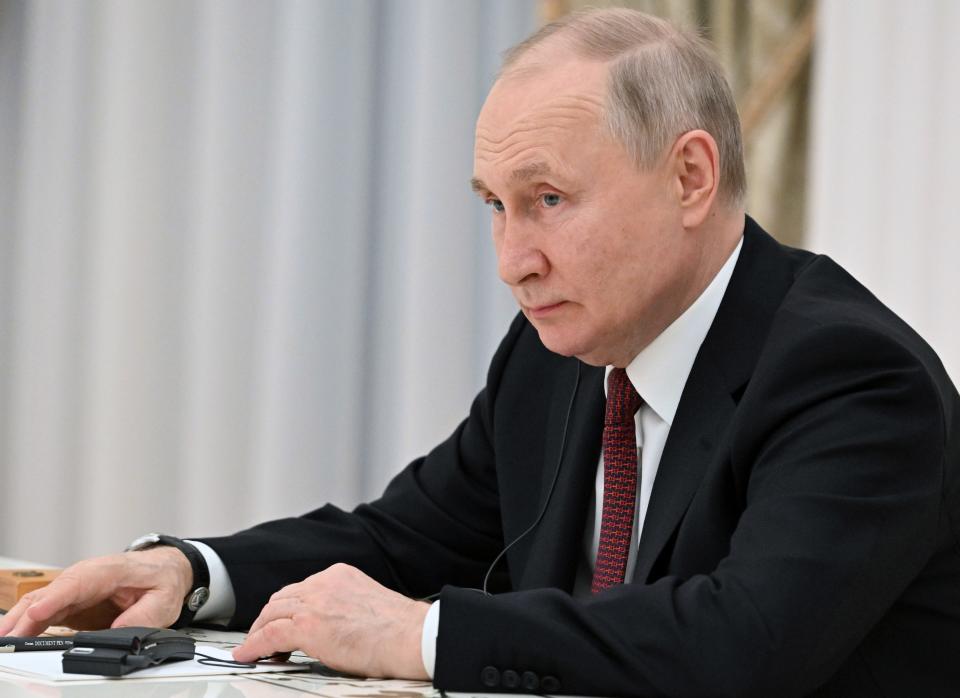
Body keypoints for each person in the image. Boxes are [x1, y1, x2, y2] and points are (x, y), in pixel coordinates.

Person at [2, 8, 959, 696]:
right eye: (494, 207)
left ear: (691, 177)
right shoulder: (558, 354)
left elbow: (741, 646)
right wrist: (194, 572)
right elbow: (402, 536)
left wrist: (424, 633)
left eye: (548, 200)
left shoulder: (853, 376)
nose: (513, 261)